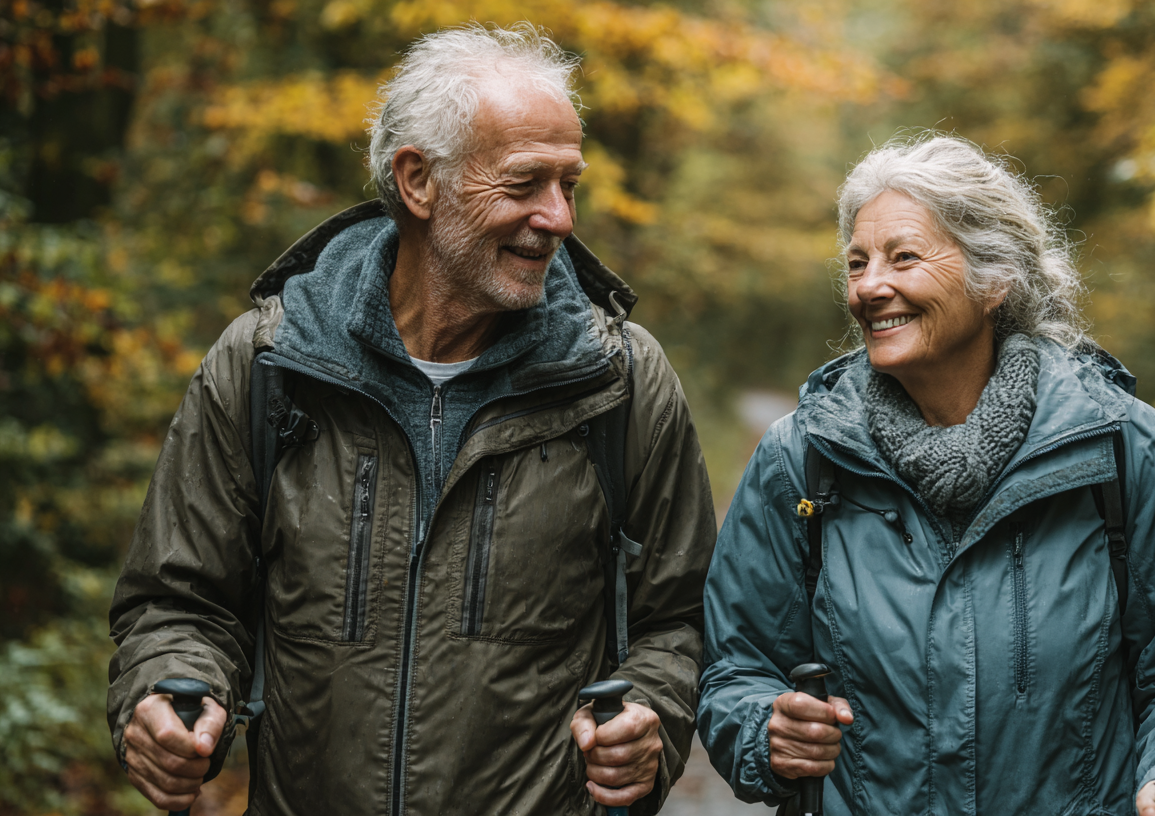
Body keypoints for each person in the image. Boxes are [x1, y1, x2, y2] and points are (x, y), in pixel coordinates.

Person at [107, 23, 716, 816]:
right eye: (526, 182)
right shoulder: (269, 365)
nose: (560, 217)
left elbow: (683, 616)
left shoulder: (620, 382)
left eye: (571, 185)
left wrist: (652, 716)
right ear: (419, 182)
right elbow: (179, 599)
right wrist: (164, 694)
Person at [697, 134, 1155, 816]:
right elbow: (736, 668)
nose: (869, 287)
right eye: (857, 263)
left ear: (994, 279)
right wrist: (764, 732)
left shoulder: (1123, 448)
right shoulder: (800, 460)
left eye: (903, 258)